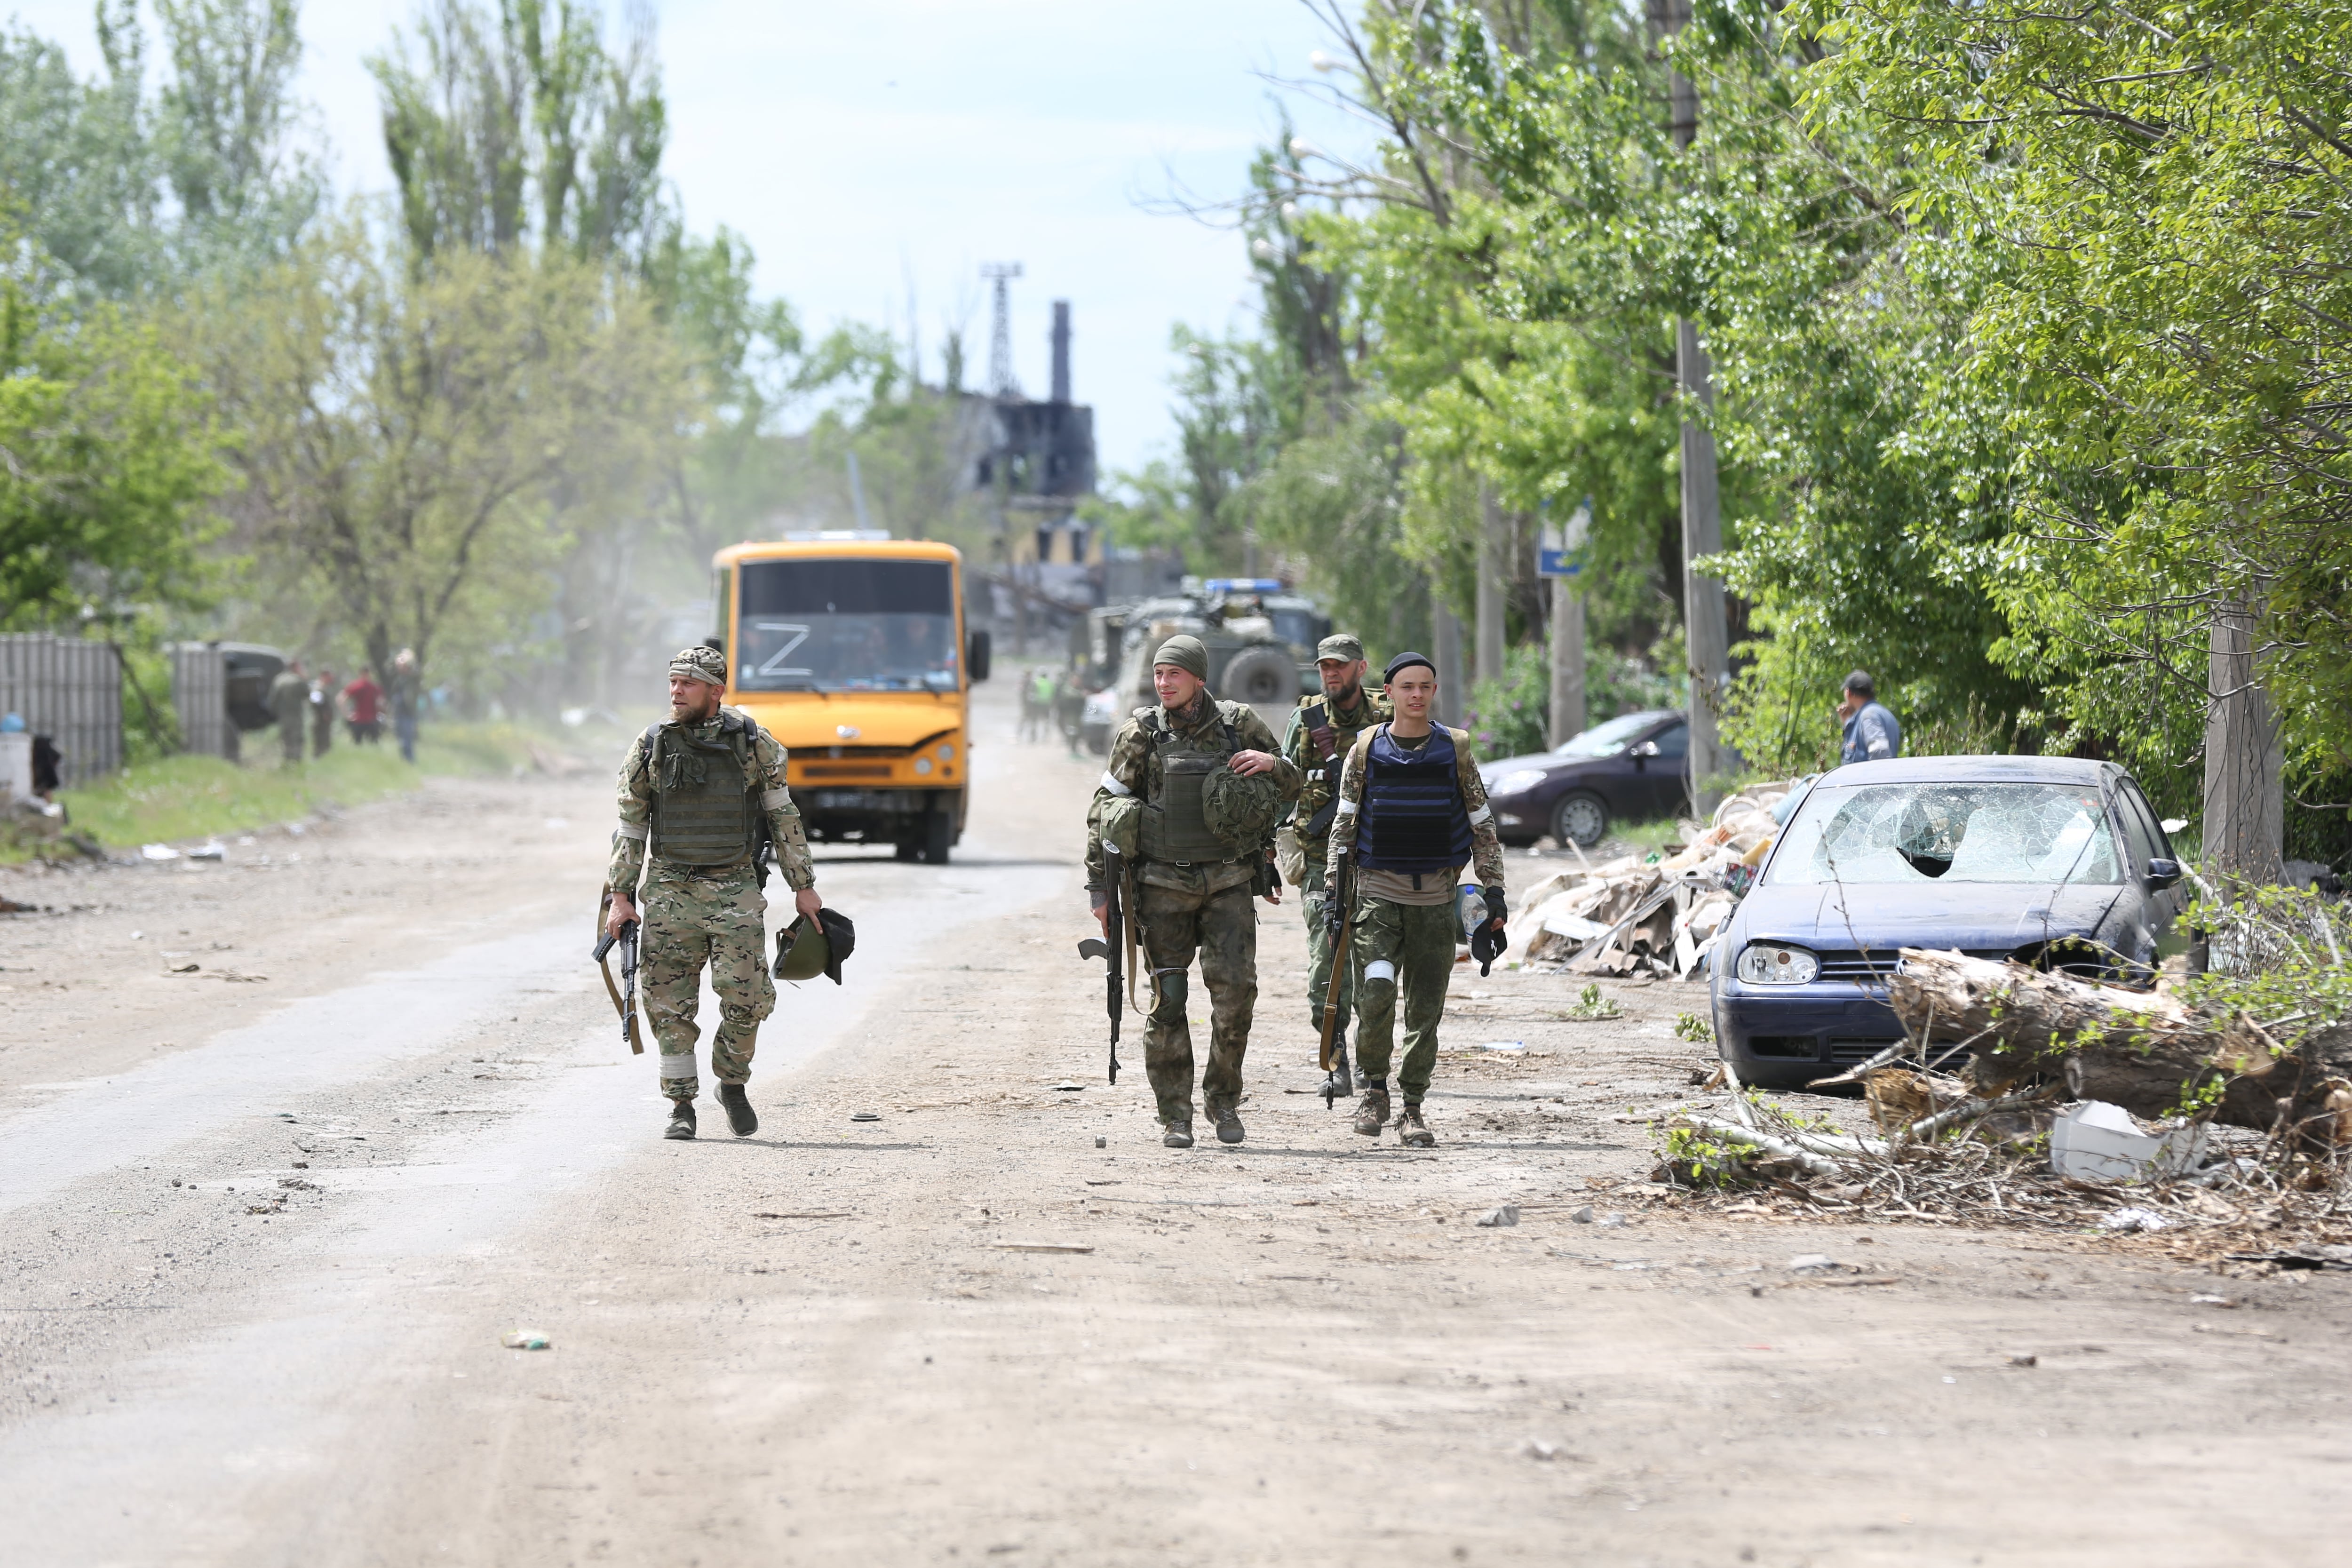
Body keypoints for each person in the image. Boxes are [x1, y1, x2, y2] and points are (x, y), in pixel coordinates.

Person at [1085, 634, 1299, 1148]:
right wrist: (1099, 889)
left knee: (1235, 999)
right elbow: (1102, 811)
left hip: (1227, 882)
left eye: (1173, 674)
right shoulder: (1141, 732)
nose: (1163, 683)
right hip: (1161, 886)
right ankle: (1174, 1115)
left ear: (1197, 678)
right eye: (1158, 674)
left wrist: (1271, 765)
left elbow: (1292, 783)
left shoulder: (1237, 725)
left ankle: (1222, 1101)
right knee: (1168, 999)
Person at [604, 645, 822, 1143]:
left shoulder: (752, 743)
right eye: (673, 682)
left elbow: (783, 818)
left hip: (734, 888)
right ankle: (681, 1105)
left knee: (748, 997)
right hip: (669, 889)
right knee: (667, 1004)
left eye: (688, 683)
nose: (676, 691)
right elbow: (631, 826)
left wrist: (804, 889)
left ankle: (732, 1082)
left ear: (715, 690)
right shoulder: (652, 744)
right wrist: (621, 895)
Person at [1326, 652, 1508, 1147]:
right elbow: (1343, 827)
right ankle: (1375, 1090)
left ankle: (1411, 1108)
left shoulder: (1455, 749)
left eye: (1425, 686)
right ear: (1388, 693)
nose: (1416, 695)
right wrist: (1333, 894)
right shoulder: (1366, 750)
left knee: (1424, 1009)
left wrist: (1494, 894)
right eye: (1406, 686)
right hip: (1377, 896)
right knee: (1377, 993)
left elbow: (1481, 826)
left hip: (1435, 899)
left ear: (1433, 691)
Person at [1279, 633, 1391, 1071]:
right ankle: (1335, 1052)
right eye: (1325, 666)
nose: (1331, 674)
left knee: (1374, 966)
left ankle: (1370, 1058)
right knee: (1327, 964)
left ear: (1361, 669)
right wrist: (1270, 851)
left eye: (1339, 666)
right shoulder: (1306, 719)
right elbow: (1285, 787)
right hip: (1321, 860)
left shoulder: (1387, 716)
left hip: (1381, 859)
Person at [1837, 671, 1902, 764]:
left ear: (1848, 693)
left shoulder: (1868, 717)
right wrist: (1848, 722)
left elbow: (1880, 754)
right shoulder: (1885, 714)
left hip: (1873, 779)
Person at [269, 660, 309, 765]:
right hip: (295, 716)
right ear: (296, 667)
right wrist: (304, 678)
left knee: (286, 740)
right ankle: (296, 764)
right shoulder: (298, 680)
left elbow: (272, 701)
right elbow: (307, 694)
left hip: (283, 717)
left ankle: (287, 763)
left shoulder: (279, 680)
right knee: (297, 740)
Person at [389, 648, 420, 764]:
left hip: (408, 712)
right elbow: (390, 667)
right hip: (399, 712)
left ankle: (410, 761)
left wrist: (407, 658)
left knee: (407, 739)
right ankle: (405, 761)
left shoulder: (412, 678)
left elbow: (415, 670)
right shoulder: (398, 678)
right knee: (401, 738)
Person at [342, 668, 384, 745]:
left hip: (369, 719)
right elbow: (342, 699)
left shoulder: (373, 687)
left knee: (368, 743)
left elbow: (380, 702)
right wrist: (347, 715)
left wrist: (347, 715)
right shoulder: (359, 686)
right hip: (361, 719)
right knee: (364, 742)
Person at [310, 669, 336, 758]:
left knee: (326, 746)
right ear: (324, 676)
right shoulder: (318, 688)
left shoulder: (323, 688)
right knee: (321, 746)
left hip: (324, 722)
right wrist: (323, 713)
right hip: (320, 721)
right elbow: (315, 702)